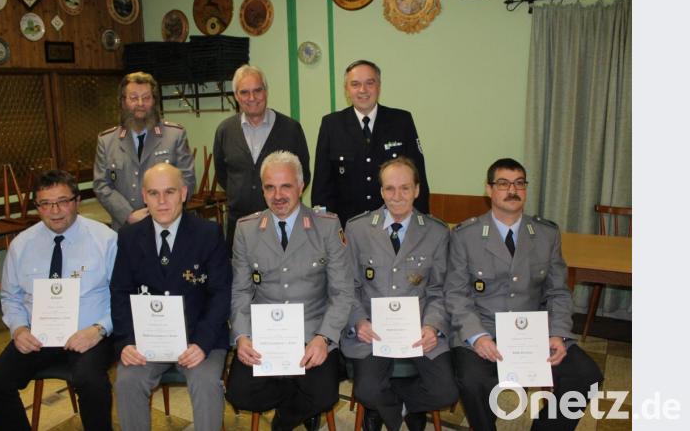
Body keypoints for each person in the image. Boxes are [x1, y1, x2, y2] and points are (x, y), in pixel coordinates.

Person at [444, 158, 603, 431]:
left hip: (534, 331)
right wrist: (477, 336)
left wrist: (558, 333)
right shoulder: (465, 235)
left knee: (586, 375)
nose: (512, 190)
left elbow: (558, 292)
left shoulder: (546, 234)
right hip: (485, 328)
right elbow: (455, 294)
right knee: (472, 381)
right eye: (503, 183)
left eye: (519, 183)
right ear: (489, 189)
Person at [0, 170, 117, 431]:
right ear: (37, 207)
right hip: (38, 335)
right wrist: (18, 328)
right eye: (45, 203)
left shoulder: (106, 240)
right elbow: (10, 295)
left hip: (89, 335)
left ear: (77, 201)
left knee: (91, 382)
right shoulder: (21, 245)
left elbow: (122, 296)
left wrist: (99, 330)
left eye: (63, 201)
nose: (55, 211)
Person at [226, 151, 353, 431]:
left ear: (301, 186)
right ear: (262, 190)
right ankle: (299, 401)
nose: (278, 195)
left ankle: (285, 419)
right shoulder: (246, 230)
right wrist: (242, 336)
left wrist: (324, 338)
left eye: (286, 186)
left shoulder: (327, 226)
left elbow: (342, 292)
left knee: (325, 394)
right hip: (265, 335)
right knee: (238, 393)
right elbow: (240, 291)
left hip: (312, 332)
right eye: (270, 187)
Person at [110, 163, 231, 431]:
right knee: (127, 381)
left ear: (184, 193)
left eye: (170, 192)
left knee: (206, 382)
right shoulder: (129, 237)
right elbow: (120, 292)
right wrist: (126, 342)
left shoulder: (208, 233)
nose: (162, 201)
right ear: (144, 196)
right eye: (153, 193)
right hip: (147, 339)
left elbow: (221, 293)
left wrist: (201, 343)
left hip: (198, 338)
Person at [340, 157, 458, 431]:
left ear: (417, 189)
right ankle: (400, 410)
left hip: (419, 330)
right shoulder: (357, 229)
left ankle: (400, 406)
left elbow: (439, 289)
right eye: (390, 189)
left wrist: (432, 326)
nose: (397, 196)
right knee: (367, 390)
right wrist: (358, 321)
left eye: (405, 188)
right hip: (373, 330)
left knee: (446, 392)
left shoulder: (437, 232)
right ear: (381, 191)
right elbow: (347, 287)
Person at [312, 59, 429, 227]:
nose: (363, 90)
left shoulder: (401, 121)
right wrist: (325, 230)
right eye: (355, 84)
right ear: (346, 90)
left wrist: (420, 225)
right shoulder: (331, 125)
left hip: (393, 224)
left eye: (370, 83)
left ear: (379, 86)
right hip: (347, 228)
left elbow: (419, 179)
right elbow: (322, 188)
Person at [213, 64, 311, 252]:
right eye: (244, 92)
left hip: (282, 223)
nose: (252, 98)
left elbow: (303, 174)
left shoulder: (291, 129)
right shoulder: (225, 131)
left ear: (266, 91)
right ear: (236, 96)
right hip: (239, 224)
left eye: (257, 90)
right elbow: (223, 176)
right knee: (241, 277)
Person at [93, 71, 196, 231]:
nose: (140, 103)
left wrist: (161, 213)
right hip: (125, 228)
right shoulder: (107, 141)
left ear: (154, 101)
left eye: (146, 98)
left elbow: (187, 179)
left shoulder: (175, 135)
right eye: (133, 98)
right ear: (123, 101)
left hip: (168, 226)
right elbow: (101, 185)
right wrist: (128, 214)